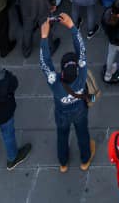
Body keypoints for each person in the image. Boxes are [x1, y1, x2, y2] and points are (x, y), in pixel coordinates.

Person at [39, 13, 95, 173]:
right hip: (79, 110)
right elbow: (82, 51)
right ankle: (85, 160)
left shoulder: (55, 82)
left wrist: (44, 37)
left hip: (61, 114)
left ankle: (63, 163)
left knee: (62, 136)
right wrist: (72, 26)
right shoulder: (82, 75)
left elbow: (44, 63)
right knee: (82, 133)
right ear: (77, 69)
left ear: (61, 72)